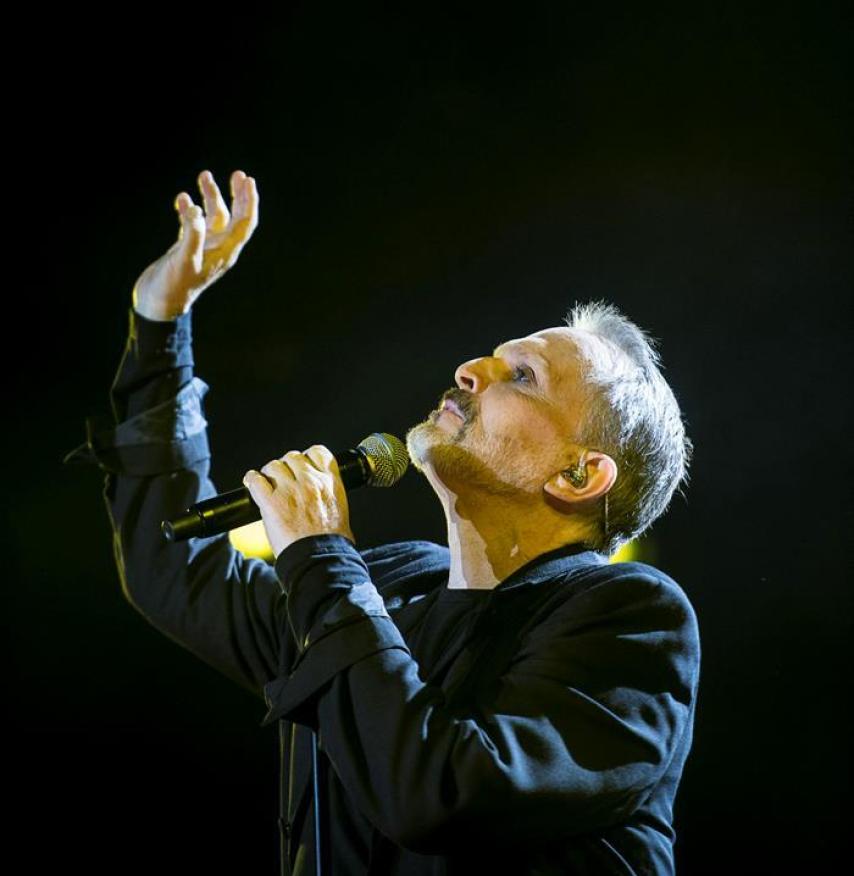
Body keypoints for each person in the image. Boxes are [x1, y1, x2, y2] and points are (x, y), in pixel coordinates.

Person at [64, 169, 700, 876]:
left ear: (579, 475)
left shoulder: (632, 620)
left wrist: (320, 556)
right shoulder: (389, 587)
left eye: (520, 376)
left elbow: (441, 794)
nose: (468, 370)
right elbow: (168, 567)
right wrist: (159, 324)